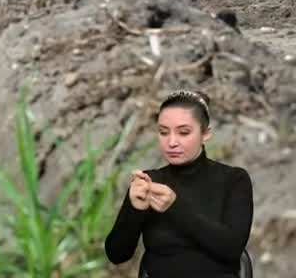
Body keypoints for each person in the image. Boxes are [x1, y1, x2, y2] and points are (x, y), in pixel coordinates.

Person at [104, 90, 254, 277]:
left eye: (184, 132)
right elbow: (116, 255)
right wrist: (134, 210)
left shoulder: (233, 180)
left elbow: (231, 248)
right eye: (163, 132)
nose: (172, 142)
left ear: (206, 133)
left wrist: (175, 207)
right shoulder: (149, 182)